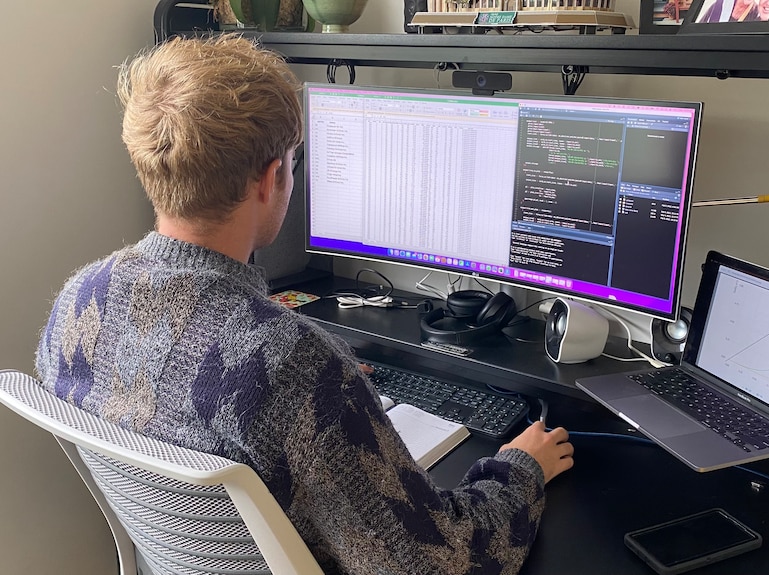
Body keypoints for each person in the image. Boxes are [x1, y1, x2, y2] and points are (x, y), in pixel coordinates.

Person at [35, 34, 574, 575]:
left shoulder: (77, 301)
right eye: (294, 162)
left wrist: (329, 400)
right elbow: (443, 565)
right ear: (273, 180)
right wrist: (520, 467)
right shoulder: (294, 363)